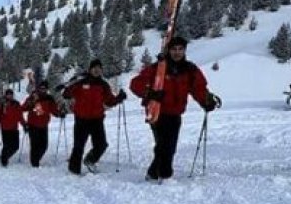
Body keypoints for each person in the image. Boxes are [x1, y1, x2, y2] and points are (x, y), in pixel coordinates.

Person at [130, 36, 220, 181]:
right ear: (169, 50)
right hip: (156, 112)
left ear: (184, 50)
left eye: (180, 49)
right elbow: (135, 84)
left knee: (169, 147)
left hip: (175, 113)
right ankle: (165, 176)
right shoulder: (158, 68)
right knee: (164, 145)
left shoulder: (190, 69)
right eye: (174, 49)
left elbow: (198, 88)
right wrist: (151, 93)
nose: (177, 52)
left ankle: (153, 174)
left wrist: (206, 101)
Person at [62, 58, 126, 175]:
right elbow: (66, 94)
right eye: (94, 68)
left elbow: (109, 101)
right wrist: (71, 84)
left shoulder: (103, 85)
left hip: (97, 120)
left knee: (101, 144)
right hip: (81, 120)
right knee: (78, 146)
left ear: (101, 70)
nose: (97, 70)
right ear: (90, 69)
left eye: (99, 68)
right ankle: (73, 170)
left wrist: (119, 98)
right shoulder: (81, 82)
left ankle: (90, 160)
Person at [21, 80, 62, 167]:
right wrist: (31, 103)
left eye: (45, 88)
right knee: (35, 145)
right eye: (41, 88)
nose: (43, 90)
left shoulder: (49, 98)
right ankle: (34, 163)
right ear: (38, 88)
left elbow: (54, 110)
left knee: (44, 146)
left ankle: (36, 160)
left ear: (47, 89)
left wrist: (60, 114)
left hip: (44, 125)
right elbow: (23, 108)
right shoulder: (33, 97)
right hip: (33, 125)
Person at [0, 88, 27, 167]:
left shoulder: (16, 104)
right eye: (8, 94)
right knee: (6, 146)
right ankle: (4, 160)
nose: (9, 96)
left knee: (15, 146)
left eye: (11, 94)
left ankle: (5, 157)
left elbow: (20, 116)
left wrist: (24, 125)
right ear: (6, 95)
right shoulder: (1, 104)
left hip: (14, 128)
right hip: (5, 128)